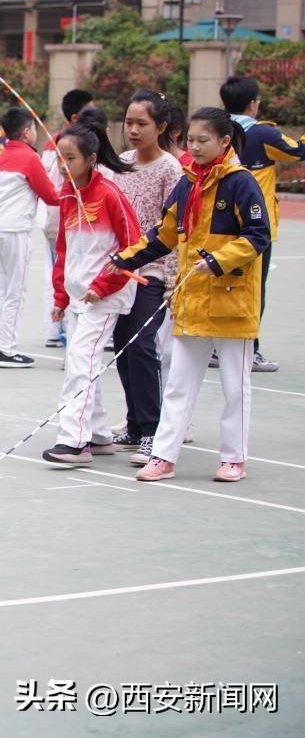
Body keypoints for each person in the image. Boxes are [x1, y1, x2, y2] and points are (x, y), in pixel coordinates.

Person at [112, 108, 269, 484]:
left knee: (235, 385)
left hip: (232, 303)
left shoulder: (241, 182)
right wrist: (124, 258)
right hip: (191, 301)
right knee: (179, 382)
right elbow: (164, 234)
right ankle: (164, 456)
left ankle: (234, 458)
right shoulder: (188, 183)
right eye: (191, 141)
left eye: (203, 141)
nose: (194, 148)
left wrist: (218, 260)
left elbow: (257, 236)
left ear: (224, 142)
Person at [41, 117, 140, 466]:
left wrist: (103, 286)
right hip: (78, 296)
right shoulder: (68, 196)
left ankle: (73, 441)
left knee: (81, 361)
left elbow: (132, 248)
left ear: (91, 159)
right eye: (59, 157)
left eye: (71, 158)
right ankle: (98, 435)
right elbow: (64, 250)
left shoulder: (110, 194)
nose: (63, 165)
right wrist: (60, 297)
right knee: (80, 361)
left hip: (106, 297)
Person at [113, 91, 183, 463]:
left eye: (142, 123)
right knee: (121, 345)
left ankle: (153, 432)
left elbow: (175, 230)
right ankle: (135, 424)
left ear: (161, 127)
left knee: (141, 345)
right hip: (122, 271)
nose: (134, 130)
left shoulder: (172, 170)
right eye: (129, 122)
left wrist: (171, 281)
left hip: (153, 271)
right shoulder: (121, 163)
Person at [219, 74, 302, 373]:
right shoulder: (264, 134)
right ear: (253, 104)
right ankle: (249, 350)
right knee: (253, 290)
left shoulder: (215, 128)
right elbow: (299, 151)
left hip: (217, 221)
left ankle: (217, 348)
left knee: (217, 282)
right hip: (255, 226)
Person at [0, 106, 59, 368]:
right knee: (15, 291)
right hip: (14, 229)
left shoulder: (1, 158)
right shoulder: (29, 158)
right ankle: (6, 349)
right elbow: (50, 195)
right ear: (27, 132)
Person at [39, 89, 94, 348]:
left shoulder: (64, 145)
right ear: (75, 117)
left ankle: (63, 329)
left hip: (67, 217)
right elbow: (52, 183)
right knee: (61, 270)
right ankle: (59, 329)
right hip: (60, 218)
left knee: (69, 270)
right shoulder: (61, 145)